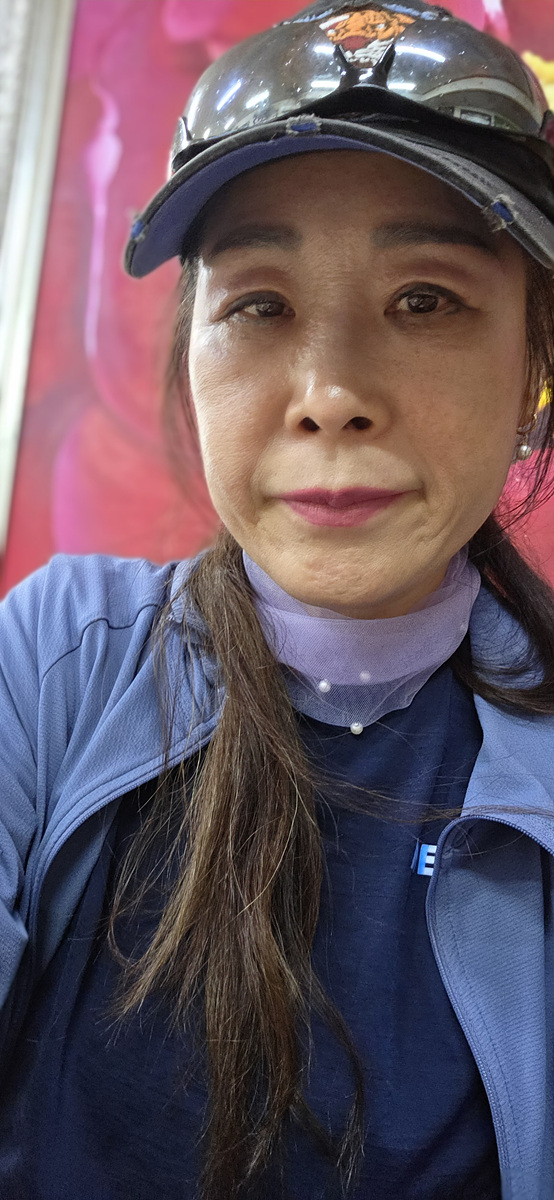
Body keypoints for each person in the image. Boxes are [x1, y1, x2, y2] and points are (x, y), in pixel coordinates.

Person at [1, 1, 554, 1197]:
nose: (328, 393)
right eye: (259, 305)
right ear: (190, 360)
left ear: (530, 374)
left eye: (425, 299)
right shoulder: (53, 663)